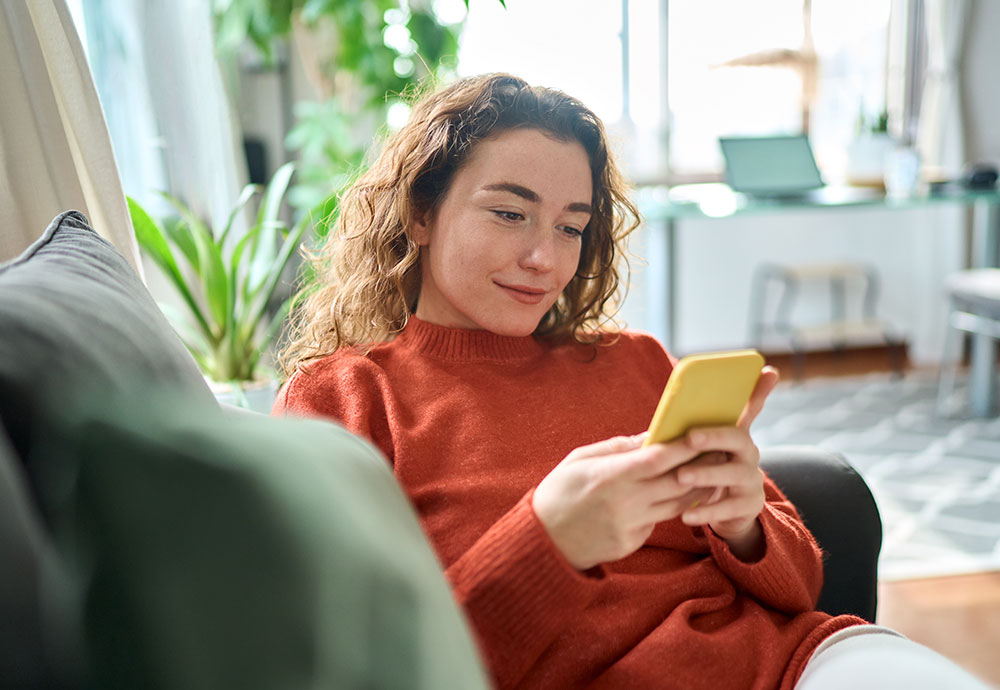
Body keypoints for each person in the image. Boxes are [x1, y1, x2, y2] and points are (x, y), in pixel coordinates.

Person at [273, 74, 989, 690]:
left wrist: (745, 522)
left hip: (796, 666)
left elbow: (803, 589)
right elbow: (371, 670)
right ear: (420, 213)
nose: (541, 258)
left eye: (570, 227)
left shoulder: (637, 361)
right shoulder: (344, 402)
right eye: (510, 213)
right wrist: (548, 542)